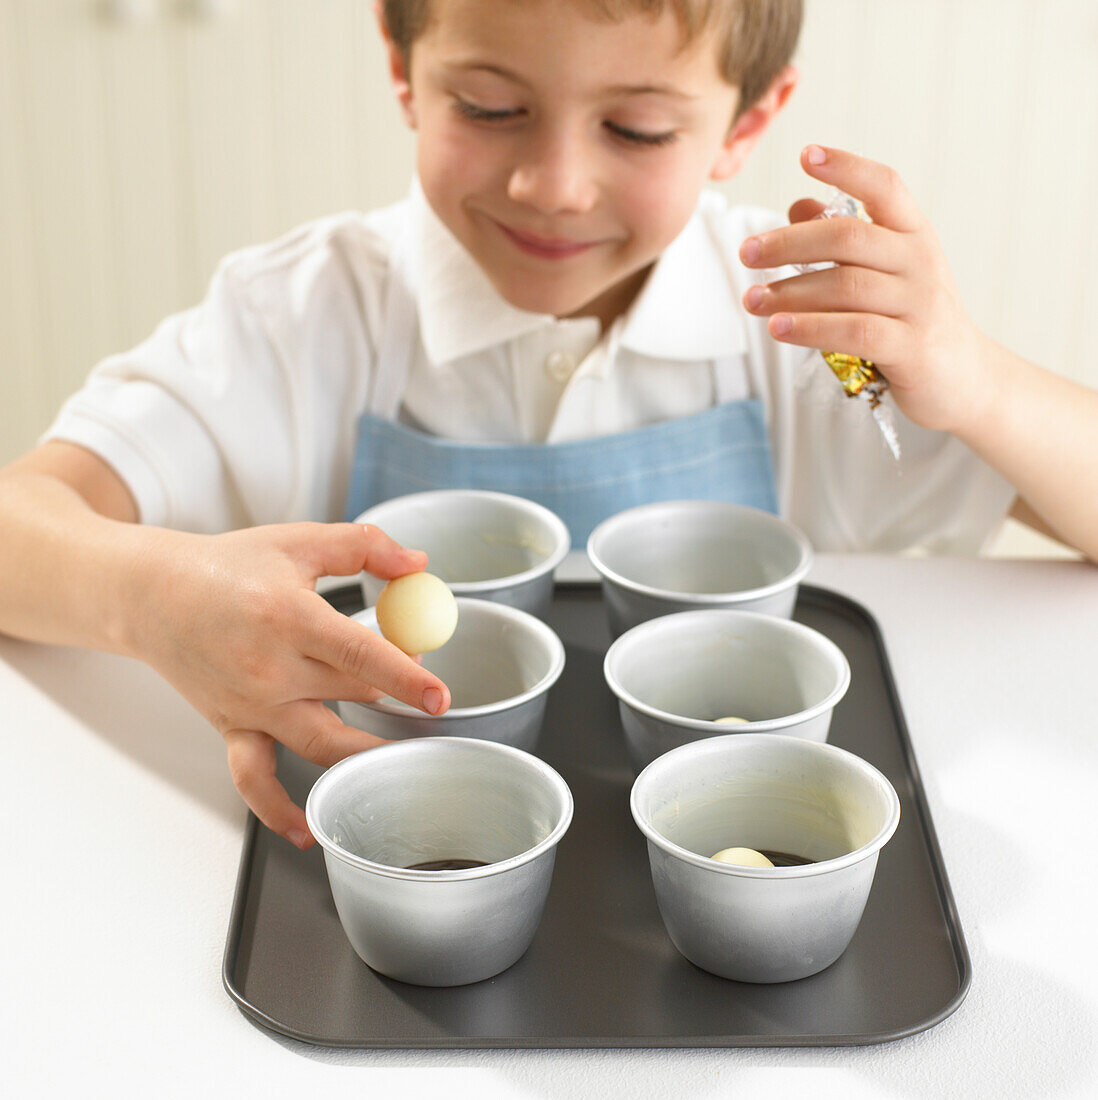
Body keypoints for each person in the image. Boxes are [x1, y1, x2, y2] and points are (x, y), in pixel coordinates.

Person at [1, 0, 1095, 850]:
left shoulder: (804, 326)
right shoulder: (303, 317)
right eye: (487, 106)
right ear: (402, 67)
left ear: (746, 122)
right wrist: (152, 600)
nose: (555, 184)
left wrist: (979, 381)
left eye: (637, 126)